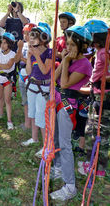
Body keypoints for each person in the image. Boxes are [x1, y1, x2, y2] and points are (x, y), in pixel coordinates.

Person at [50, 26, 92, 202]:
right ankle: (59, 167)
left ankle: (70, 186)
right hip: (59, 103)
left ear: (82, 45)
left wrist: (66, 62)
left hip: (69, 108)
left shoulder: (84, 64)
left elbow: (65, 84)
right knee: (58, 139)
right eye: (67, 44)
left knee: (66, 145)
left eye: (72, 45)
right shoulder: (70, 58)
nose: (68, 48)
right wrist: (65, 59)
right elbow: (55, 78)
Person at [78, 19, 110, 177]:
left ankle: (96, 168)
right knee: (96, 130)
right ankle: (95, 165)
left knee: (97, 131)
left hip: (103, 95)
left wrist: (98, 82)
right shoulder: (102, 51)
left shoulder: (105, 53)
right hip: (98, 91)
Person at [20, 22, 52, 159]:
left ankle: (46, 147)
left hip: (43, 87)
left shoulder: (49, 53)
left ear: (43, 39)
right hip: (31, 85)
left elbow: (45, 70)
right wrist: (28, 57)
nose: (31, 39)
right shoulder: (31, 52)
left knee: (41, 116)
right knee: (32, 114)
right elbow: (28, 71)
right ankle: (34, 138)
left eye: (34, 36)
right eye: (30, 36)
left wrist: (37, 55)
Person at [0, 33, 23, 129]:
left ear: (10, 44)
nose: (2, 45)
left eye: (5, 43)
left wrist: (0, 66)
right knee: (1, 97)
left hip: (8, 80)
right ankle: (1, 113)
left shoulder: (12, 54)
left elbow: (9, 66)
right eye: (1, 43)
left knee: (7, 99)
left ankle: (9, 120)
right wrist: (3, 65)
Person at [19, 23, 37, 130]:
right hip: (22, 73)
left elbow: (32, 62)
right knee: (25, 100)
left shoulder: (36, 47)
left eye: (28, 33)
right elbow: (18, 58)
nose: (26, 36)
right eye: (24, 33)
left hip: (31, 75)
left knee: (32, 101)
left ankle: (34, 123)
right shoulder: (24, 45)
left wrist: (22, 58)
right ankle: (27, 123)